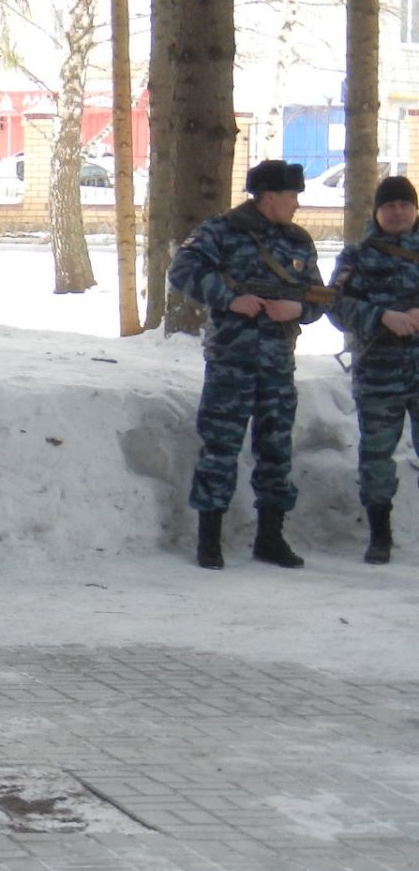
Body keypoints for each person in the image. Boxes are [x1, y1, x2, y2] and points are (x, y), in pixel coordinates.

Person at [168, 159, 327, 570]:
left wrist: (298, 308)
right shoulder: (221, 231)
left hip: (278, 364)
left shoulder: (298, 241)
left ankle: (271, 538)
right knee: (219, 448)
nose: (296, 205)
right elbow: (182, 269)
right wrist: (229, 298)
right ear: (269, 197)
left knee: (276, 450)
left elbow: (317, 297)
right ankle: (209, 541)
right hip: (231, 362)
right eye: (292, 196)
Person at [326, 174, 419, 563]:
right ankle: (380, 535)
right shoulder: (357, 256)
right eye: (389, 206)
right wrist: (382, 316)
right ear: (377, 212)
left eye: (404, 205)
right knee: (377, 457)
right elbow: (334, 307)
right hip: (378, 373)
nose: (397, 212)